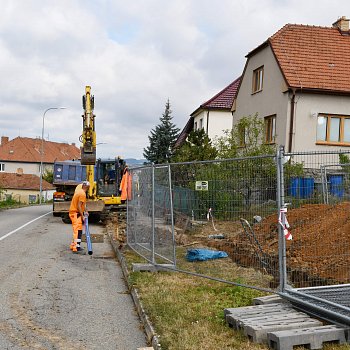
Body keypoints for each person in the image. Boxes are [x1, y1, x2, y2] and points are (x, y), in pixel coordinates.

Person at [69, 181, 90, 252]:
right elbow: (79, 206)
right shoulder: (82, 194)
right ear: (87, 187)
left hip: (74, 213)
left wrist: (86, 210)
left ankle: (73, 245)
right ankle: (76, 247)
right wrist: (82, 215)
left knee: (77, 230)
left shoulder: (79, 191)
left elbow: (83, 204)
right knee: (78, 231)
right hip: (76, 214)